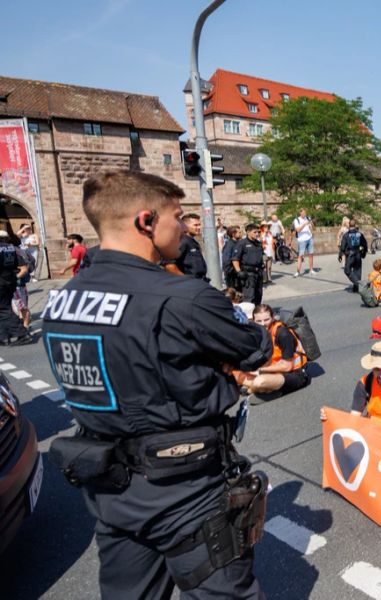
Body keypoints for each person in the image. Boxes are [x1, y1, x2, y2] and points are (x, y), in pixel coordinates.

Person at [41, 170, 271, 598]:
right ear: (146, 222)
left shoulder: (62, 299)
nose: (185, 228)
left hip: (110, 486)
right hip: (185, 488)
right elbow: (255, 346)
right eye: (178, 217)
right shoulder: (183, 297)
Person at [237, 304, 310, 401]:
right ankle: (257, 387)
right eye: (258, 321)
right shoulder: (258, 331)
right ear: (253, 320)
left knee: (260, 382)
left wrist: (260, 370)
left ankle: (262, 389)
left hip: (295, 373)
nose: (263, 324)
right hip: (274, 369)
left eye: (266, 320)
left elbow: (287, 366)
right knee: (233, 371)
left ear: (273, 317)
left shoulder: (283, 334)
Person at [0, 231, 32, 345]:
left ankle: (22, 333)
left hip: (2, 282)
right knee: (5, 308)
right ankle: (3, 336)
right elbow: (17, 264)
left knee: (4, 310)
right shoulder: (11, 248)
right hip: (10, 280)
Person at [232, 223, 265, 305]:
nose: (257, 234)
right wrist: (239, 271)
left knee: (258, 295)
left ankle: (257, 314)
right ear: (248, 232)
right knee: (249, 297)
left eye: (258, 232)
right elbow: (235, 259)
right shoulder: (242, 243)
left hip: (258, 273)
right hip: (248, 274)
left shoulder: (258, 243)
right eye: (255, 232)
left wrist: (263, 262)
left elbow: (262, 255)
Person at [174, 213, 208, 280]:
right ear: (185, 226)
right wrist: (186, 281)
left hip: (200, 281)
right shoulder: (183, 241)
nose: (199, 228)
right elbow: (170, 265)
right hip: (191, 283)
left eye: (199, 225)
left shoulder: (192, 241)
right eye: (195, 225)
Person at [338, 218, 368, 292]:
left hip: (350, 255)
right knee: (357, 271)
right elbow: (365, 244)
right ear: (355, 225)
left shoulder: (346, 235)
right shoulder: (360, 234)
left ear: (349, 225)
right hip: (358, 254)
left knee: (347, 270)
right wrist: (363, 253)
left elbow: (343, 247)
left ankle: (359, 285)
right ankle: (356, 288)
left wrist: (340, 255)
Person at [292, 208, 315, 276]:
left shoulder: (308, 218)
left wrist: (312, 223)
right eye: (303, 213)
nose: (305, 214)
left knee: (311, 254)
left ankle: (311, 270)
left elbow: (313, 228)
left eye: (305, 213)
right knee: (300, 256)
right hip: (302, 240)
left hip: (309, 238)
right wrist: (304, 224)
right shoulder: (296, 220)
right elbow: (298, 230)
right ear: (300, 213)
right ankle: (298, 271)